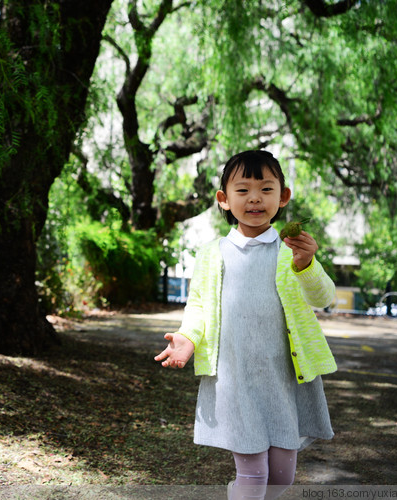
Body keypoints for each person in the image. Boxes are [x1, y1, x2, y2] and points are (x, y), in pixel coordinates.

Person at [154, 150, 336, 500]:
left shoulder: (291, 252)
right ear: (224, 199)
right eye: (243, 190)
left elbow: (322, 296)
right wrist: (187, 338)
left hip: (283, 381)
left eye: (266, 189)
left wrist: (308, 263)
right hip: (235, 382)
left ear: (282, 197)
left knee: (281, 477)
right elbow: (199, 307)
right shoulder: (212, 253)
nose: (255, 198)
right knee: (253, 478)